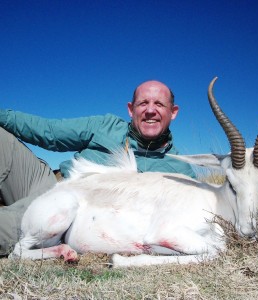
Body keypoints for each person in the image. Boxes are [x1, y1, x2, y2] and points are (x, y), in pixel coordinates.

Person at [0, 80, 197, 255]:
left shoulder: (181, 170)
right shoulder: (105, 126)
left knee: (14, 226)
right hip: (49, 182)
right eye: (143, 103)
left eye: (159, 104)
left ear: (173, 112)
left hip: (72, 212)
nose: (150, 110)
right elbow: (48, 132)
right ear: (131, 109)